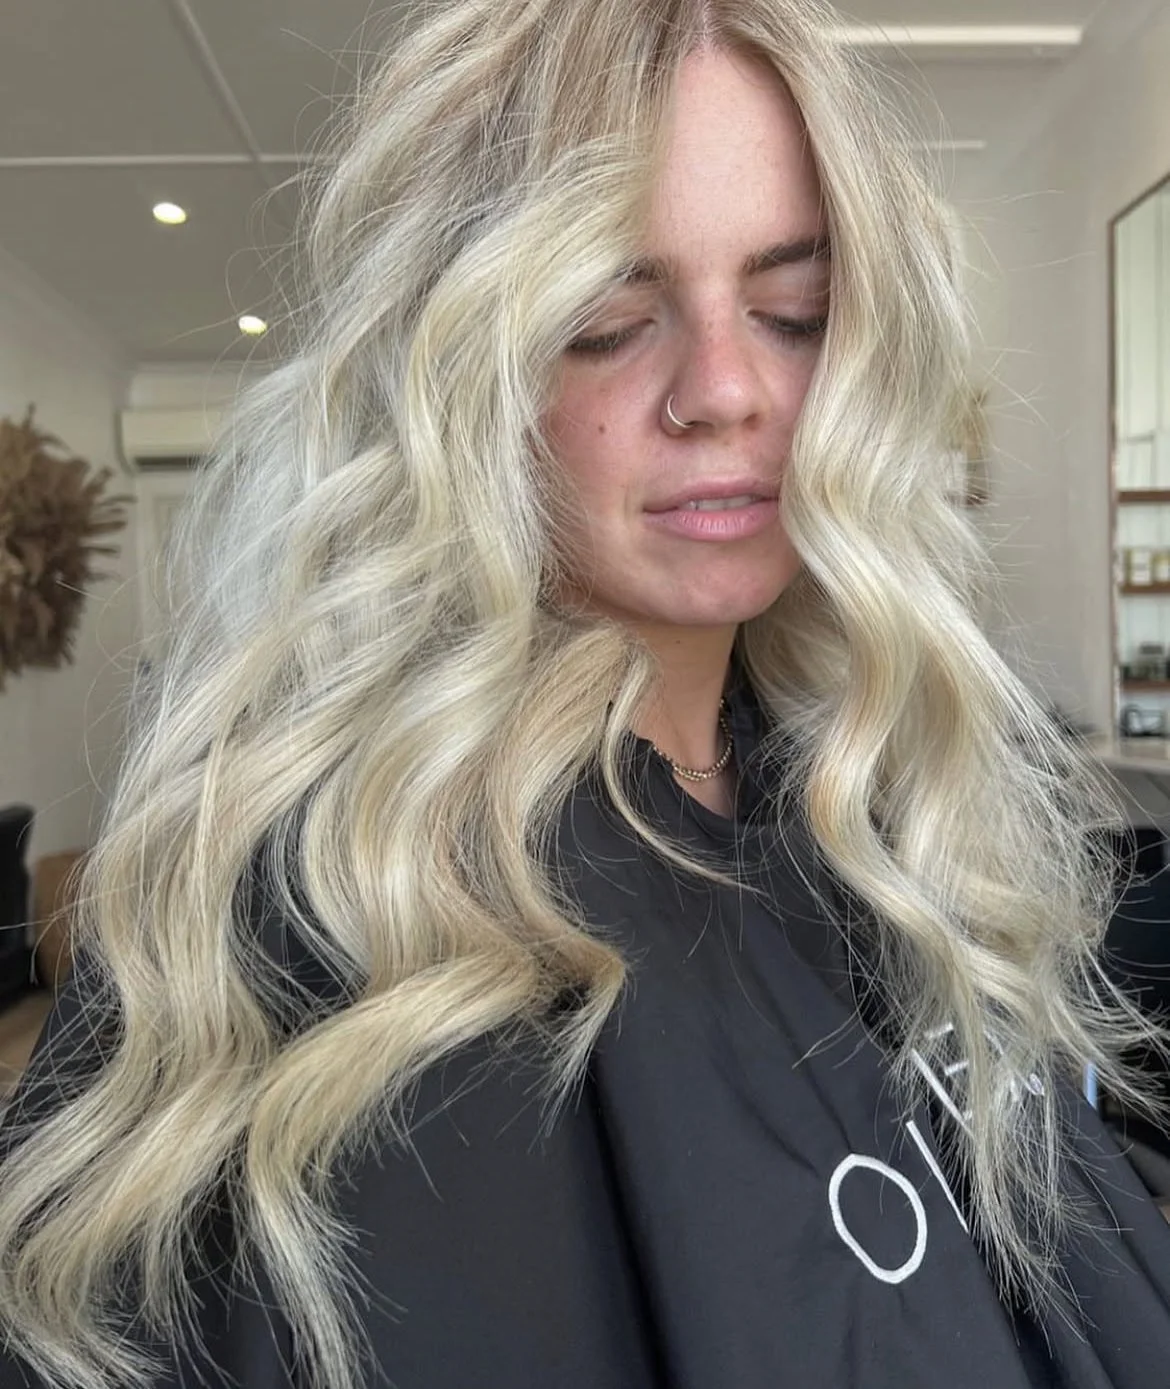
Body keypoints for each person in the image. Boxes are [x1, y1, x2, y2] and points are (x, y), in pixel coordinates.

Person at [1, 1, 1169, 1385]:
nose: (725, 388)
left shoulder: (889, 804)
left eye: (792, 312)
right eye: (609, 319)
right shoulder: (304, 899)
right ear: (465, 371)